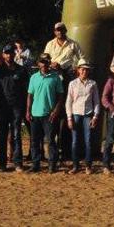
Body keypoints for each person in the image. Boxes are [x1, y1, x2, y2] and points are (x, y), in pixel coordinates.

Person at [44, 22, 84, 161]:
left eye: (61, 29)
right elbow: (44, 60)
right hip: (54, 76)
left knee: (68, 111)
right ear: (54, 32)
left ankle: (66, 151)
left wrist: (74, 67)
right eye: (57, 30)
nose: (59, 32)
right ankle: (53, 152)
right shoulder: (50, 44)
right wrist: (52, 64)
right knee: (53, 112)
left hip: (68, 76)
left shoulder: (73, 44)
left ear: (65, 30)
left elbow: (82, 59)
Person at [27, 53, 65, 173]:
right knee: (34, 141)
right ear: (38, 63)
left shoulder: (55, 78)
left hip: (49, 114)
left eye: (46, 62)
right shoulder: (33, 78)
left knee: (50, 141)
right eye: (42, 62)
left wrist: (56, 111)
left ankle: (51, 165)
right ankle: (35, 164)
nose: (44, 64)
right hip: (35, 113)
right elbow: (30, 95)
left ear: (49, 63)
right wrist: (28, 110)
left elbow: (60, 96)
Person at [0, 44, 29, 172]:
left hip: (17, 107)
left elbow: (26, 90)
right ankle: (2, 164)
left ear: (15, 54)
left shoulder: (22, 70)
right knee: (2, 136)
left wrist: (25, 108)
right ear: (3, 55)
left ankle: (18, 163)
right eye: (6, 53)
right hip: (2, 107)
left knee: (16, 135)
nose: (9, 55)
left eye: (11, 53)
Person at [65, 59, 100, 174]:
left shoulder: (93, 84)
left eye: (86, 69)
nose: (84, 71)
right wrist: (69, 118)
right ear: (78, 70)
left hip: (88, 115)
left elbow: (96, 101)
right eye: (82, 69)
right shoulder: (72, 83)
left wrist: (95, 116)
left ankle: (88, 166)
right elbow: (69, 101)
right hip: (75, 114)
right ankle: (75, 166)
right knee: (75, 141)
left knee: (88, 141)